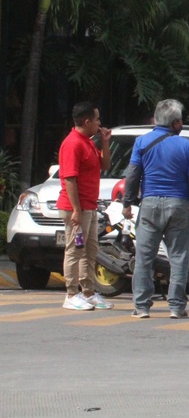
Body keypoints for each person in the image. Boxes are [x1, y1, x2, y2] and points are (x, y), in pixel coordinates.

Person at [122, 99, 189, 319]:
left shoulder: (142, 142)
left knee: (144, 257)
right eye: (180, 121)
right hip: (178, 206)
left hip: (149, 205)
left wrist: (128, 203)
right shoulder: (186, 146)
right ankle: (177, 307)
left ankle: (141, 307)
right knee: (179, 257)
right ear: (175, 123)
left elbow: (132, 175)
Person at [56, 102, 113, 311]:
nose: (100, 123)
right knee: (75, 250)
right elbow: (69, 179)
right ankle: (71, 294)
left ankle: (88, 292)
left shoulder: (88, 142)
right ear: (87, 121)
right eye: (97, 119)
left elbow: (105, 165)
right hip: (76, 208)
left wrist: (105, 143)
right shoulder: (73, 143)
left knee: (90, 250)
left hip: (89, 206)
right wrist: (77, 210)